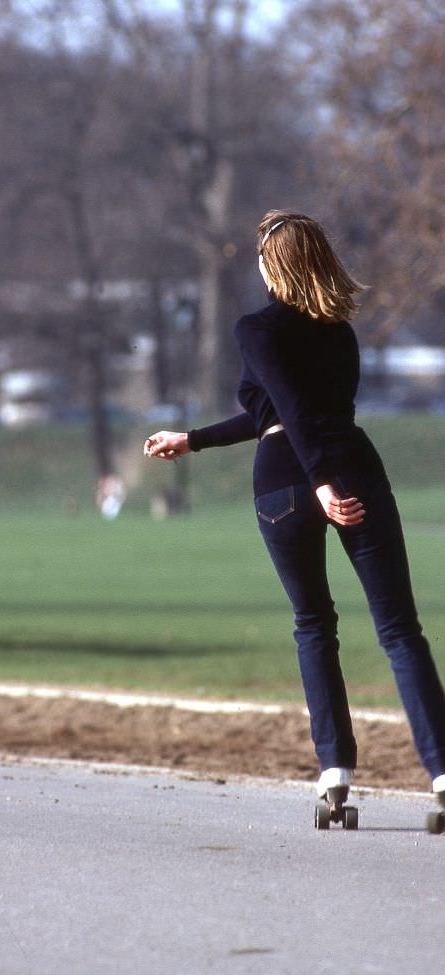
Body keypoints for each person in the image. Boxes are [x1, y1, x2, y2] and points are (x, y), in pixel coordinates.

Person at [143, 209, 445, 810]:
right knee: (399, 629)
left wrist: (320, 483)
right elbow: (278, 414)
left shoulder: (256, 329)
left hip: (290, 483)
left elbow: (288, 415)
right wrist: (194, 439)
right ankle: (442, 772)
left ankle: (335, 773)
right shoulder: (339, 331)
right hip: (351, 467)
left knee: (314, 624)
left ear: (273, 266)